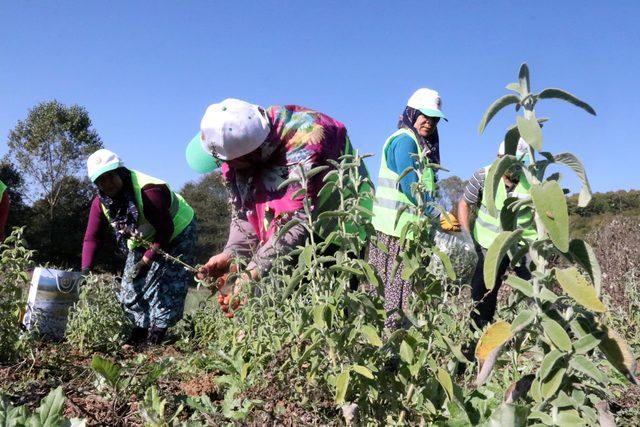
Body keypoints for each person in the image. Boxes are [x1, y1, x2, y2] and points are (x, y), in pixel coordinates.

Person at [185, 98, 371, 299]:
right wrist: (232, 253)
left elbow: (295, 222)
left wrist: (254, 270)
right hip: (294, 230)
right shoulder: (243, 139)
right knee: (280, 293)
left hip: (338, 227)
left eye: (225, 161)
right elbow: (244, 211)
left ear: (247, 156)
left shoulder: (304, 143)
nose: (223, 166)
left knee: (328, 299)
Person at [81, 149, 197, 344]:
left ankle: (156, 337)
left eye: (110, 176)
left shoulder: (148, 191)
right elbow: (91, 238)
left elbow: (165, 230)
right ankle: (139, 332)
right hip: (144, 238)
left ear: (120, 171)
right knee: (130, 287)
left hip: (177, 231)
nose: (107, 184)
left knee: (164, 285)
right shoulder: (100, 202)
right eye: (100, 180)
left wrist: (147, 260)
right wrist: (85, 270)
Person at [368, 87, 454, 329]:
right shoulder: (404, 141)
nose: (429, 122)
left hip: (408, 233)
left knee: (400, 295)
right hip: (393, 234)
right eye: (425, 116)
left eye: (435, 119)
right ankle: (387, 353)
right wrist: (439, 214)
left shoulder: (420, 146)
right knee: (393, 297)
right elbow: (411, 186)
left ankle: (392, 348)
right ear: (412, 113)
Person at [457, 140, 537, 331]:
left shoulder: (533, 180)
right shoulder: (483, 175)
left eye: (517, 162)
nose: (512, 167)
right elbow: (464, 204)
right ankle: (478, 333)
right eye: (506, 161)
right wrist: (466, 236)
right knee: (483, 292)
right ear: (498, 158)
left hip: (524, 243)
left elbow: (546, 214)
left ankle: (543, 333)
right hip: (488, 243)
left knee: (537, 289)